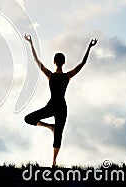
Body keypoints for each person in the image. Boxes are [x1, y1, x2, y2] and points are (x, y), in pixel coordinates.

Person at [24, 35, 97, 167]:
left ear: (54, 62)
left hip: (53, 106)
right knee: (58, 135)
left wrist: (31, 42)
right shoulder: (67, 76)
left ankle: (53, 160)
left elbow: (36, 60)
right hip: (60, 107)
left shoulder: (50, 75)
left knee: (29, 119)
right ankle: (53, 158)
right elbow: (82, 64)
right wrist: (89, 47)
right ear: (63, 62)